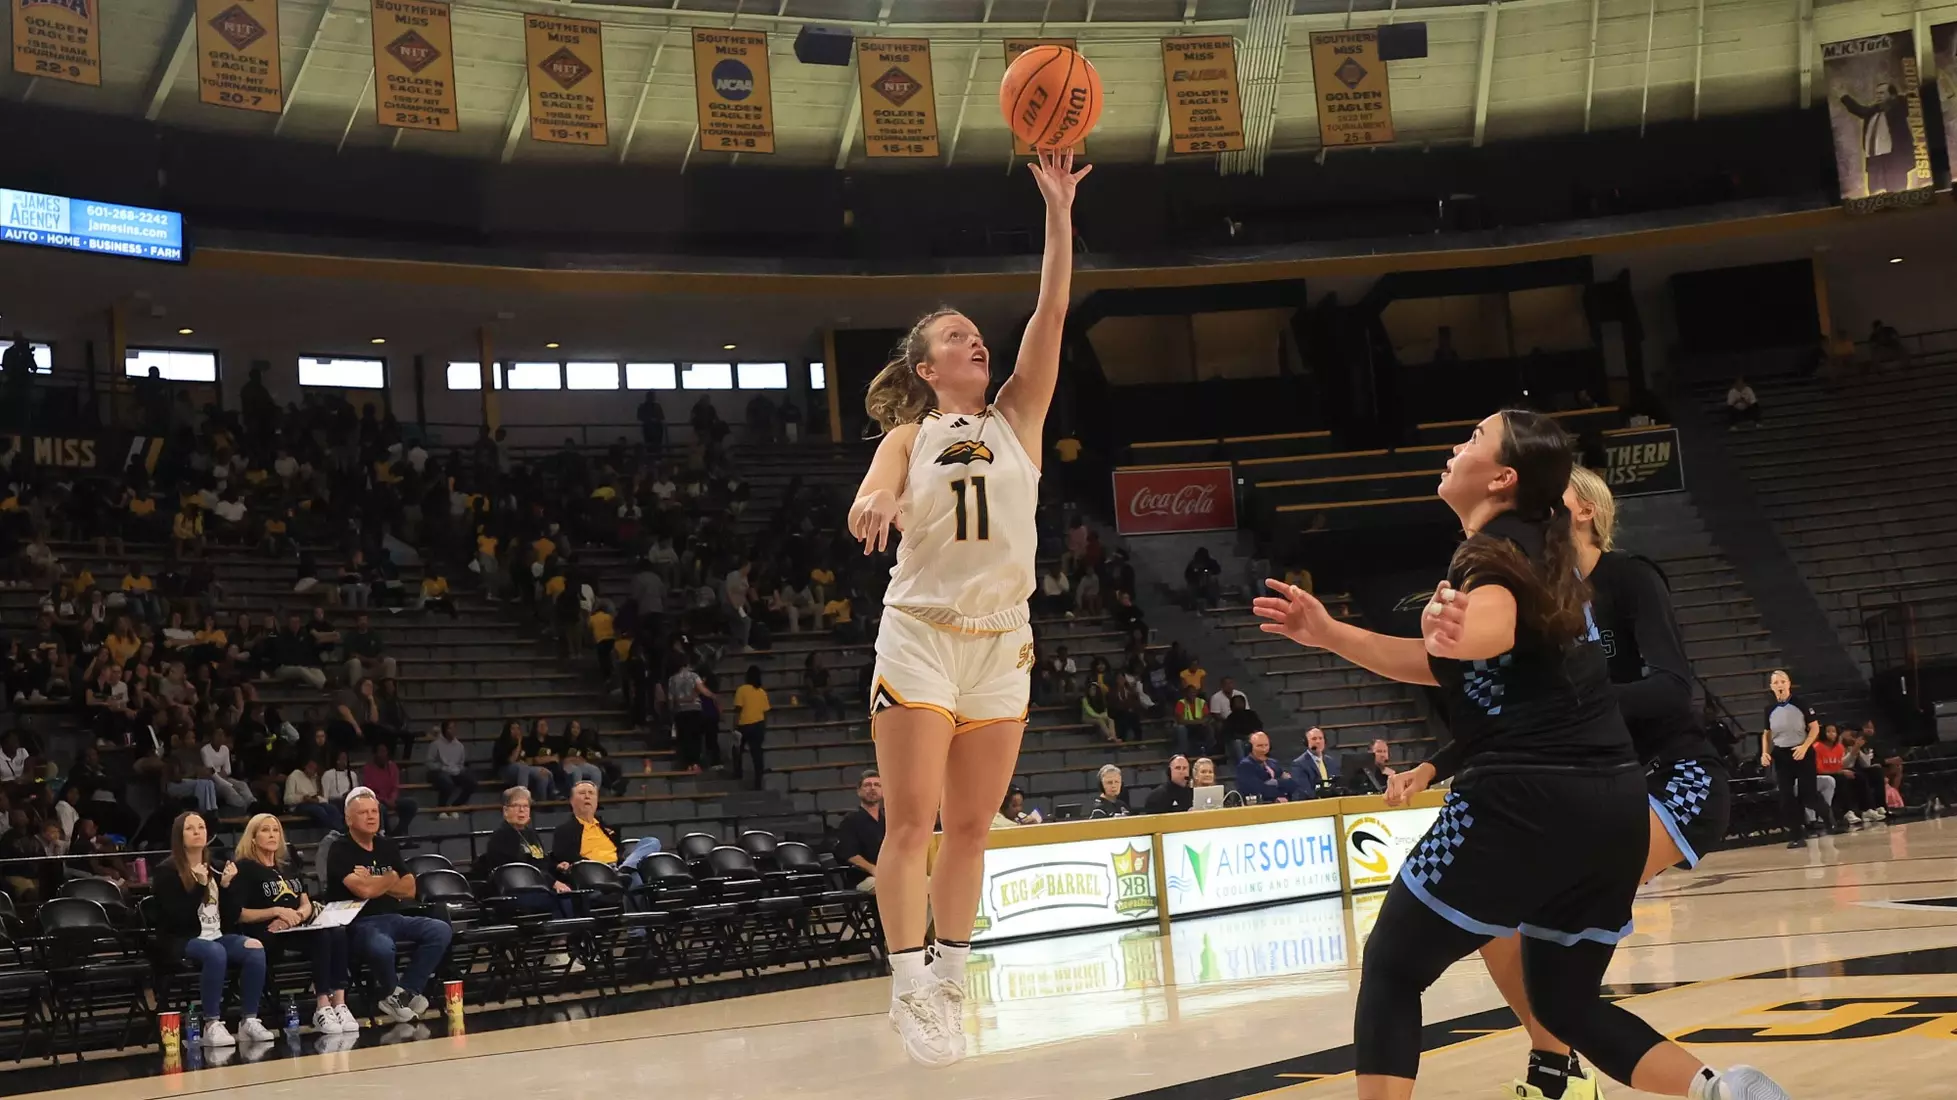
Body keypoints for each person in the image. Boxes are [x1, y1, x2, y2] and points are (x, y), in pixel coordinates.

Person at [1252, 408, 1790, 1100]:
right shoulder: (1545, 555)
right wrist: (1333, 634)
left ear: (1502, 477)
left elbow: (1489, 626)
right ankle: (1721, 1090)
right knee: (1566, 1004)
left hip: (1522, 800)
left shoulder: (1492, 552)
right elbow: (1454, 659)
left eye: (1473, 437)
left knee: (1391, 968)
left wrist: (1461, 630)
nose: (1455, 444)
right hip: (1612, 807)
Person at [847, 147, 1088, 1069]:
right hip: (919, 639)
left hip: (1003, 642)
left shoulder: (1018, 417)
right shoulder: (912, 432)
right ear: (923, 365)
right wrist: (872, 502)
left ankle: (950, 973)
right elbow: (871, 489)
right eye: (953, 336)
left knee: (974, 826)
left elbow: (1051, 310)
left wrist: (1058, 210)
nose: (973, 340)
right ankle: (908, 986)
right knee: (911, 823)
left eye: (975, 332)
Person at [1456, 464, 1737, 1100]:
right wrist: (1437, 761)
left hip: (1678, 778)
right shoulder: (1542, 600)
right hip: (1601, 791)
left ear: (1583, 509)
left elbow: (1674, 689)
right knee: (1494, 917)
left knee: (1526, 908)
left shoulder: (1630, 578)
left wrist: (1586, 701)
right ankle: (1558, 1067)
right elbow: (1522, 705)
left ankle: (1560, 1075)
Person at [328, 790, 452, 1023]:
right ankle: (391, 992)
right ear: (348, 819)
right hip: (357, 922)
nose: (371, 816)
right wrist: (389, 877)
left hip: (393, 916)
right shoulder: (339, 849)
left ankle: (403, 992)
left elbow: (410, 889)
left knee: (440, 929)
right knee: (381, 947)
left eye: (374, 811)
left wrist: (373, 881)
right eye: (363, 812)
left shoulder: (386, 846)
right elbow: (362, 892)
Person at [152, 812, 274, 1046]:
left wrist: (227, 887)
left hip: (216, 935)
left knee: (255, 948)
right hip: (182, 939)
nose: (197, 832)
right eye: (190, 828)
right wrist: (198, 886)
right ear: (179, 835)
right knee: (215, 952)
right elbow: (177, 919)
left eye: (201, 827)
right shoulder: (166, 871)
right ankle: (212, 1023)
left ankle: (249, 1020)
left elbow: (230, 918)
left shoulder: (216, 867)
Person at [232, 813, 359, 1034]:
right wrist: (276, 912)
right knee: (321, 937)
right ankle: (322, 1006)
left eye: (275, 830)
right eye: (265, 830)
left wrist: (297, 916)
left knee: (336, 931)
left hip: (295, 928)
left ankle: (339, 1002)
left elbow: (305, 902)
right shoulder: (244, 869)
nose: (272, 835)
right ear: (252, 837)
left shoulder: (287, 865)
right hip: (266, 933)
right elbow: (239, 914)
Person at [1763, 669, 1837, 847]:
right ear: (1771, 687)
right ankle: (1796, 835)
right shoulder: (1769, 709)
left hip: (1801, 751)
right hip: (1782, 753)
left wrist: (1805, 747)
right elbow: (1766, 733)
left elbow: (1814, 728)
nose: (1780, 685)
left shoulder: (1801, 703)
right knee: (1786, 797)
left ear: (1789, 684)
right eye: (1776, 683)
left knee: (1808, 795)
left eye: (1783, 681)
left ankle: (1827, 815)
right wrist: (1765, 752)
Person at [834, 769, 885, 892]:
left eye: (877, 785)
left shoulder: (888, 821)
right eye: (867, 785)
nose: (872, 788)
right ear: (859, 791)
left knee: (928, 884)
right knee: (890, 886)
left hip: (890, 874)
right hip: (863, 878)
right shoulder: (850, 821)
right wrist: (874, 870)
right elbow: (850, 854)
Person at [425, 719, 477, 815]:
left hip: (454, 771)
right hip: (438, 772)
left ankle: (455, 807)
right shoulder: (435, 744)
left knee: (471, 782)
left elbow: (461, 763)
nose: (453, 730)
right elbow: (429, 763)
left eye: (454, 728)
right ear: (444, 730)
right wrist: (441, 767)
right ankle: (441, 808)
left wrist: (458, 770)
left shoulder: (460, 746)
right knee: (447, 782)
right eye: (450, 728)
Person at [732, 665, 770, 788]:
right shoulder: (762, 692)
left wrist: (734, 726)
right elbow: (765, 712)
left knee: (737, 749)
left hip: (744, 725)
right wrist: (764, 727)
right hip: (759, 725)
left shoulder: (742, 690)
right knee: (757, 754)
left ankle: (738, 772)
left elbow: (738, 709)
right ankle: (758, 780)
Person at [1234, 731, 1299, 803]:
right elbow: (1257, 789)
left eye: (1266, 745)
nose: (1264, 749)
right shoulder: (1245, 766)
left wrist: (1275, 782)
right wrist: (1278, 793)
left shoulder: (1273, 763)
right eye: (1260, 746)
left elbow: (1292, 784)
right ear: (1250, 747)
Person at [1290, 727, 1340, 797]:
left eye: (1320, 738)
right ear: (1306, 742)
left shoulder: (1331, 761)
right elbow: (1305, 791)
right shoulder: (1299, 764)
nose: (1318, 742)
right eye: (1314, 739)